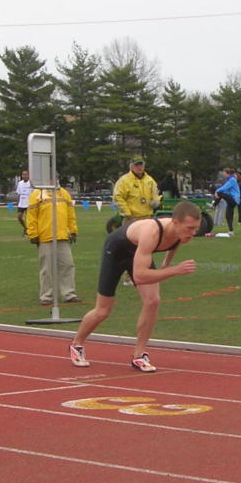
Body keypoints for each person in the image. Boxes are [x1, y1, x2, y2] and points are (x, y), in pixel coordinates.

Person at [69, 201, 201, 372]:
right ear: (175, 223)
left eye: (196, 228)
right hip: (117, 251)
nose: (193, 233)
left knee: (152, 301)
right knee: (103, 310)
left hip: (139, 253)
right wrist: (174, 270)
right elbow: (140, 276)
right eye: (190, 228)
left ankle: (139, 355)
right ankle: (76, 344)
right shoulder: (152, 232)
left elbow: (172, 246)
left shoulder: (181, 233)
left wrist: (166, 264)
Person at [26, 184, 80, 306]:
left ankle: (69, 294)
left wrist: (73, 231)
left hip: (62, 236)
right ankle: (46, 296)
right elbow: (31, 216)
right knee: (47, 268)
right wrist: (33, 234)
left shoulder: (64, 193)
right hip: (45, 236)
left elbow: (71, 214)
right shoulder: (37, 194)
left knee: (68, 265)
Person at [113, 155, 161, 286]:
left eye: (141, 164)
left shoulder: (150, 180)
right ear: (131, 166)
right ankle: (128, 277)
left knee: (147, 249)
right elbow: (118, 197)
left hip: (147, 219)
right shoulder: (124, 180)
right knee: (129, 250)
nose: (139, 167)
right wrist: (128, 214)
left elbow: (156, 195)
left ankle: (145, 275)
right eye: (137, 164)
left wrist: (155, 202)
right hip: (131, 220)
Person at [213, 167, 240, 235]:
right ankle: (231, 231)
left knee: (220, 193)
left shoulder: (232, 180)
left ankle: (214, 205)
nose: (223, 174)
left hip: (234, 199)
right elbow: (226, 190)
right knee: (228, 216)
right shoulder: (229, 180)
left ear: (228, 173)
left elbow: (224, 187)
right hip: (230, 200)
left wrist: (216, 191)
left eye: (224, 173)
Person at [16, 170, 33, 235]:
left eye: (26, 174)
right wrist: (18, 203)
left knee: (28, 218)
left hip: (29, 203)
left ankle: (29, 231)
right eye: (23, 174)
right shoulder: (20, 183)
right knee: (19, 217)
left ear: (28, 175)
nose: (24, 176)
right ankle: (25, 227)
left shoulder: (31, 183)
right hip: (21, 203)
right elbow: (19, 194)